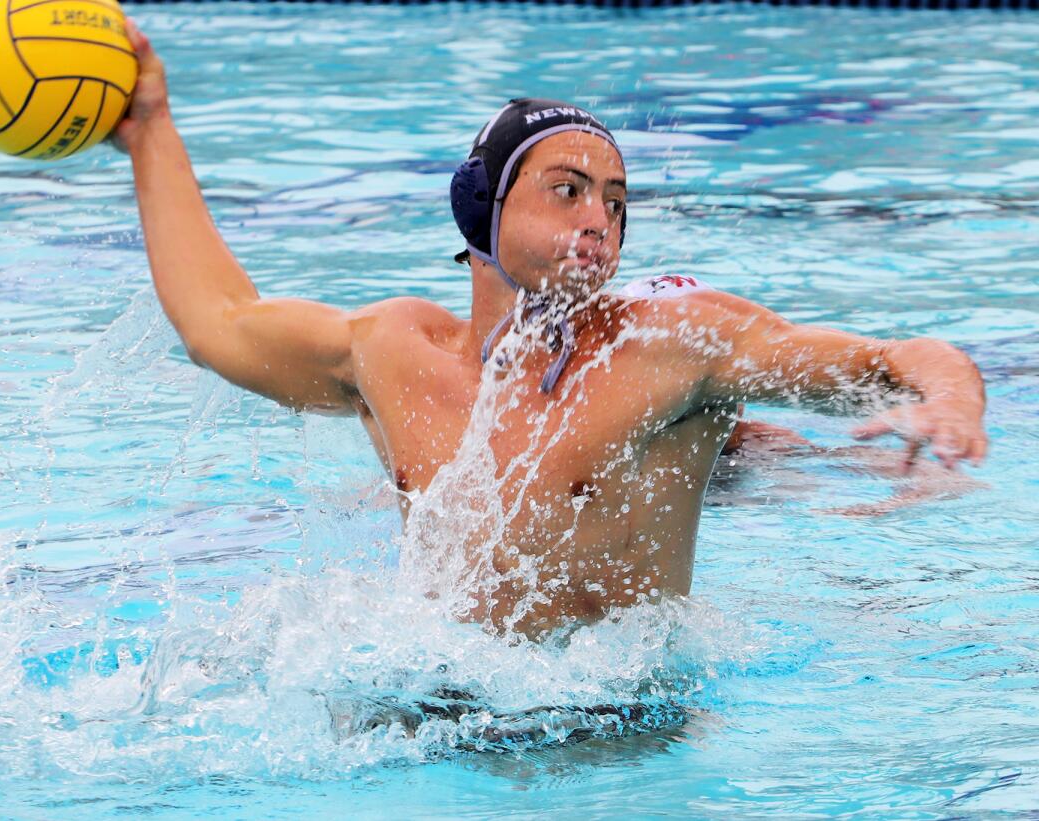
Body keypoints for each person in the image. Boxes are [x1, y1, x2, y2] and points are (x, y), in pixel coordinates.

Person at [114, 22, 987, 640]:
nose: (599, 219)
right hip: (435, 723)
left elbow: (895, 358)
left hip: (623, 744)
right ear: (481, 211)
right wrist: (150, 127)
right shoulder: (393, 352)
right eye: (566, 190)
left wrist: (946, 398)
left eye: (615, 201)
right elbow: (217, 322)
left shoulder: (673, 345)